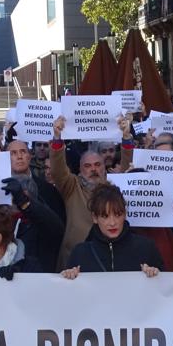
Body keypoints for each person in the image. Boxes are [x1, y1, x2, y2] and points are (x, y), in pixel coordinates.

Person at [50, 115, 134, 268]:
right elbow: (57, 170)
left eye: (97, 165)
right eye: (87, 166)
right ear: (80, 170)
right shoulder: (72, 186)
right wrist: (57, 137)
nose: (93, 169)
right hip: (73, 259)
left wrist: (126, 136)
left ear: (104, 167)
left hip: (109, 257)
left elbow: (128, 165)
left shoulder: (114, 185)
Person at [62, 184, 163, 277]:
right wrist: (69, 277)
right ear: (95, 218)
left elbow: (165, 289)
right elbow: (69, 293)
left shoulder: (146, 248)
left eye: (118, 215)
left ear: (125, 214)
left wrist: (155, 275)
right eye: (105, 216)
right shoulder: (80, 253)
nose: (112, 223)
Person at [2, 139, 65, 271]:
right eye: (13, 153)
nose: (19, 156)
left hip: (41, 263)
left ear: (30, 156)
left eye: (23, 152)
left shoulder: (48, 190)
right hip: (5, 264)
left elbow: (58, 228)